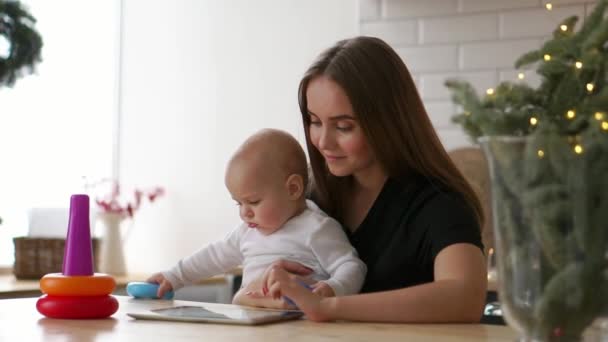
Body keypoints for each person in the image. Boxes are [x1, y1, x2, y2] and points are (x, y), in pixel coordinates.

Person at [250, 36, 487, 322]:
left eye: (343, 126)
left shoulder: (439, 203)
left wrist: (326, 306)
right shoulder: (308, 195)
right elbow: (250, 289)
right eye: (314, 121)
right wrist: (267, 291)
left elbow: (465, 297)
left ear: (388, 122)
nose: (323, 141)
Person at [147, 128, 367, 308]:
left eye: (253, 202)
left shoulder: (316, 228)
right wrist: (174, 276)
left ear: (292, 188)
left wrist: (333, 288)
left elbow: (352, 266)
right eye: (238, 203)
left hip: (302, 324)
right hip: (253, 321)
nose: (244, 212)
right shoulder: (247, 232)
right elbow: (213, 256)